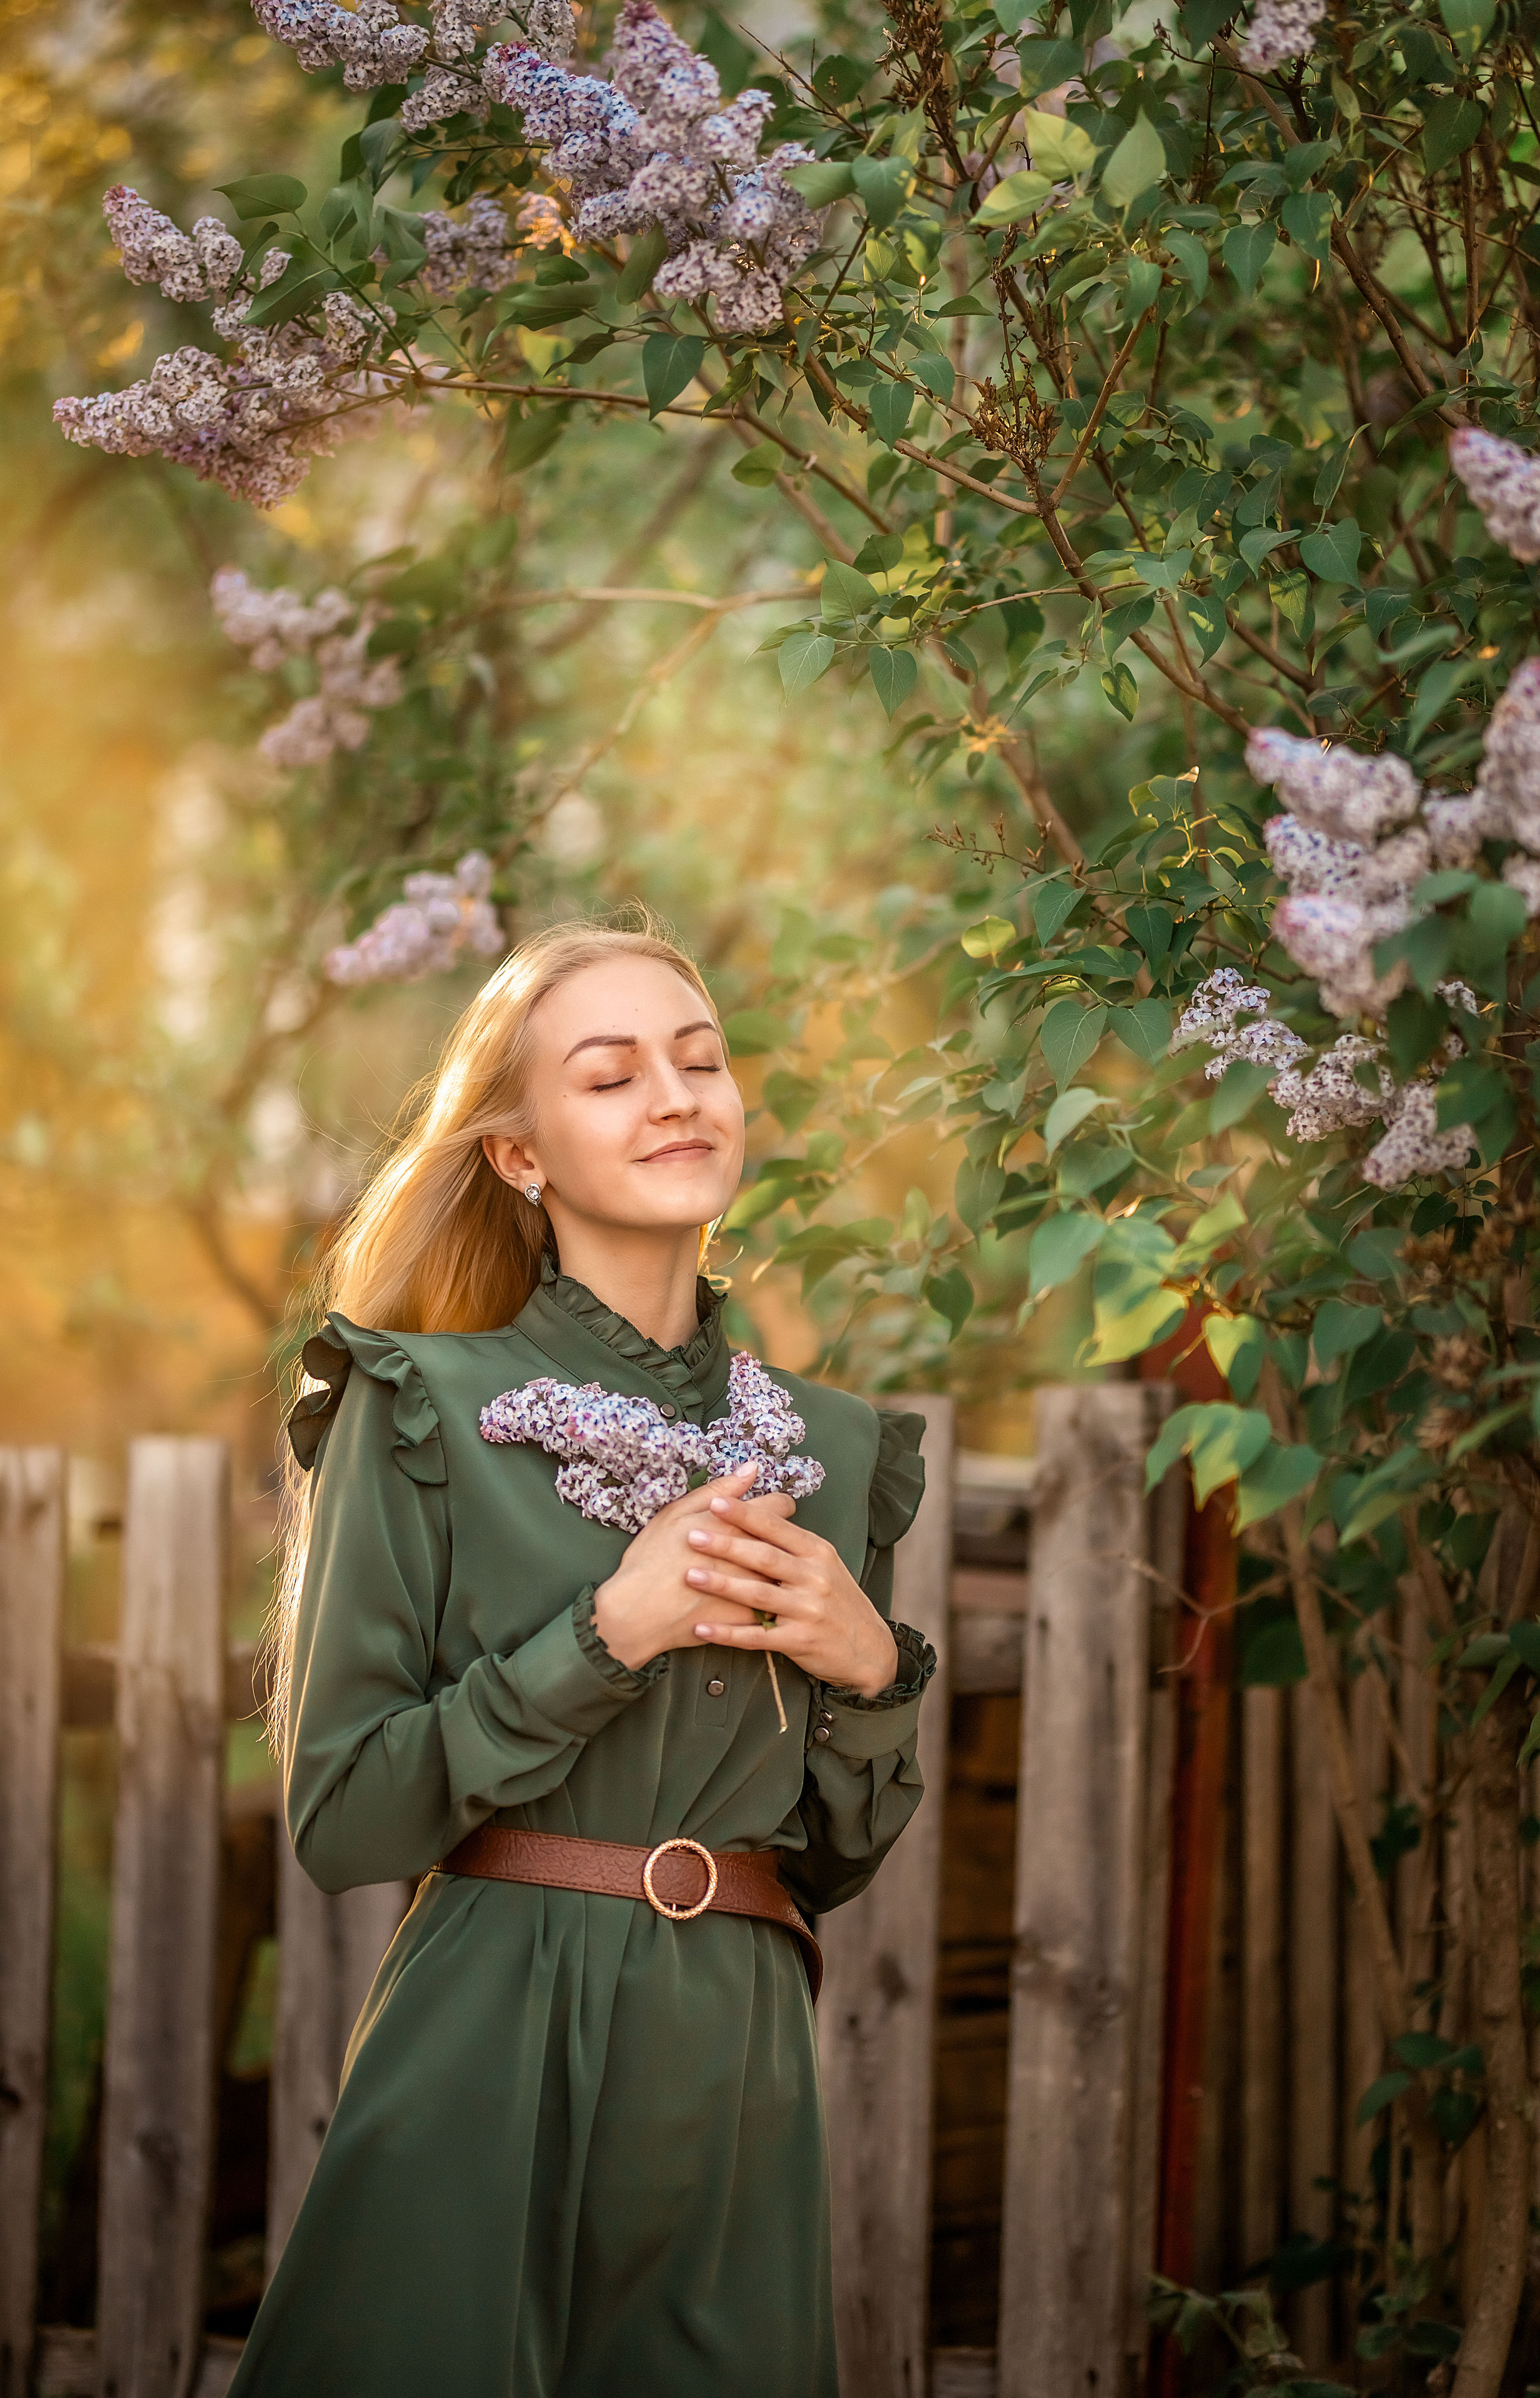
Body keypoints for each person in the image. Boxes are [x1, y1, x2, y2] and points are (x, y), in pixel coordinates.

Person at [230, 920, 935, 2398]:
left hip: (738, 2060)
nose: (677, 1098)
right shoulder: (413, 1402)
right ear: (518, 1154)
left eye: (700, 1061)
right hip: (490, 2030)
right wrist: (601, 1635)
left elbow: (826, 1856)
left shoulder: (829, 1451)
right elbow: (341, 1818)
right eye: (610, 1077)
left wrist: (870, 1672)